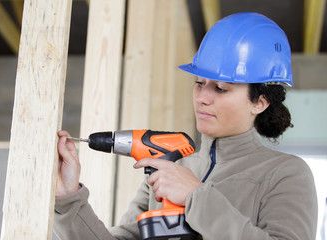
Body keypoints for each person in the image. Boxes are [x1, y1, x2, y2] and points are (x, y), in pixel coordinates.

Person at [53, 12, 318, 240]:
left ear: (260, 102)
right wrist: (69, 197)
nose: (202, 98)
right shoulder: (171, 168)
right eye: (199, 83)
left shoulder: (285, 173)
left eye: (221, 88)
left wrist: (195, 196)